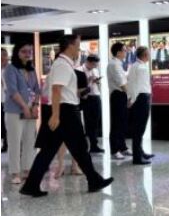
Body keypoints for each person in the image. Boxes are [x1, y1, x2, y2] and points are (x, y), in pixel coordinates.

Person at [20, 35, 113, 197]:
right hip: (65, 111)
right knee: (79, 148)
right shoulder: (62, 64)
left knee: (50, 150)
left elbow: (61, 90)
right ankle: (94, 180)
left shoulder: (63, 64)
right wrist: (56, 115)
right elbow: (56, 89)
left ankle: (31, 185)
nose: (79, 49)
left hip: (63, 109)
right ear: (70, 46)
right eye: (78, 45)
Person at [3, 42, 41, 184]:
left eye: (29, 51)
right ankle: (15, 172)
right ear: (17, 53)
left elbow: (37, 89)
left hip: (31, 110)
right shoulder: (10, 69)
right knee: (14, 142)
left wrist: (35, 105)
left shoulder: (32, 69)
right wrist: (24, 107)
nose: (28, 54)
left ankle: (27, 169)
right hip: (15, 111)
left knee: (30, 141)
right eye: (24, 51)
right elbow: (13, 91)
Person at [126, 46, 155, 165]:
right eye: (148, 53)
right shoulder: (142, 68)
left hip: (138, 98)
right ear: (144, 55)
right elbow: (137, 86)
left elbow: (131, 83)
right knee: (139, 129)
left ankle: (140, 152)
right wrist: (132, 99)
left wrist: (131, 98)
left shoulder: (134, 66)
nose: (150, 56)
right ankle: (137, 157)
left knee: (138, 128)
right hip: (141, 99)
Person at [107, 42, 131, 159]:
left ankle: (123, 147)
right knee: (116, 123)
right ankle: (114, 150)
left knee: (122, 123)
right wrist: (130, 96)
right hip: (118, 95)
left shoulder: (118, 64)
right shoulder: (114, 64)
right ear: (118, 52)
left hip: (121, 95)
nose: (126, 52)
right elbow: (121, 83)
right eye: (124, 50)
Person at [81, 55, 104, 153]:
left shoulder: (95, 70)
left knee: (96, 122)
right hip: (87, 98)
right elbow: (80, 87)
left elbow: (97, 84)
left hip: (96, 96)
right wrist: (89, 80)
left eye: (96, 64)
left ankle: (95, 145)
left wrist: (97, 81)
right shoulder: (80, 70)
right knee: (89, 122)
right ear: (88, 62)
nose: (95, 66)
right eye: (94, 64)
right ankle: (89, 144)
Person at [1, 48, 9, 153]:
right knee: (2, 125)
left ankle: (7, 144)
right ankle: (5, 143)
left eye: (4, 55)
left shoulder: (9, 70)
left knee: (7, 124)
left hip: (7, 101)